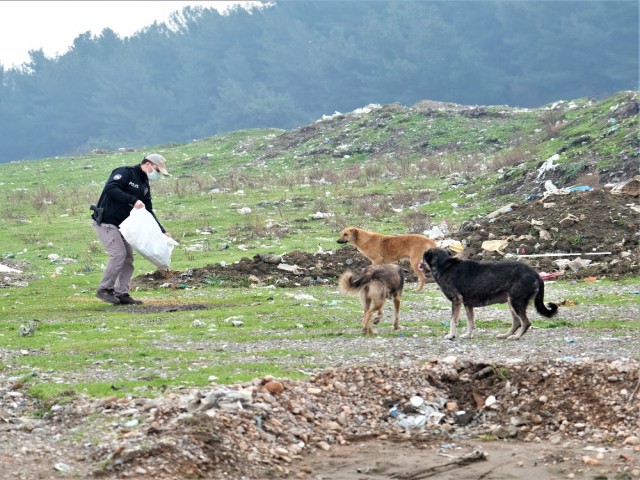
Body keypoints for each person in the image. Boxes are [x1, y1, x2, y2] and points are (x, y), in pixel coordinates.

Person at [91, 154, 170, 305]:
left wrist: (162, 231)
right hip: (107, 222)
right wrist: (133, 200)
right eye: (156, 170)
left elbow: (148, 209)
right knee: (118, 254)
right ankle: (104, 289)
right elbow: (110, 188)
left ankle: (122, 294)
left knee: (128, 258)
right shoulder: (125, 172)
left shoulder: (144, 184)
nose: (157, 174)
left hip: (124, 226)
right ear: (148, 164)